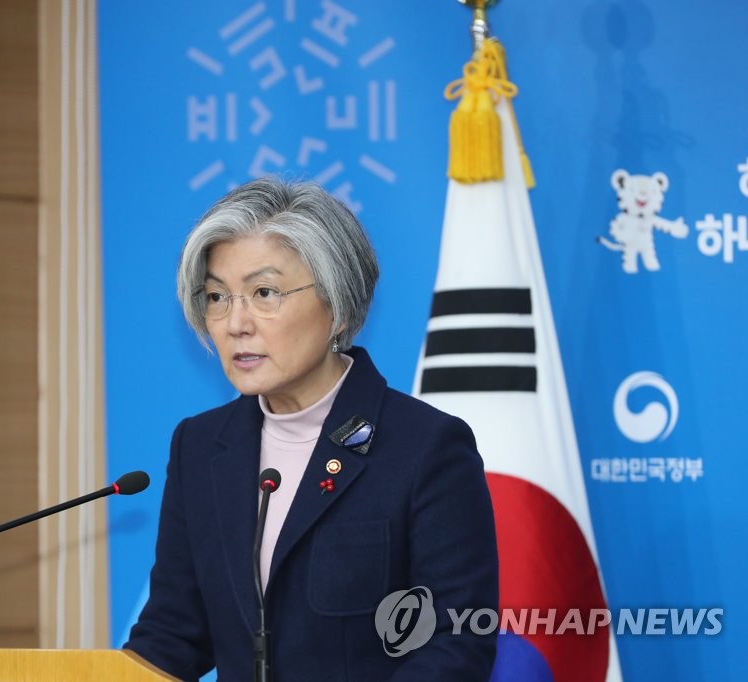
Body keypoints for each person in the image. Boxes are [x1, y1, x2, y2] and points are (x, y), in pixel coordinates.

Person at [124, 177, 498, 681]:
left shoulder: (426, 447)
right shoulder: (200, 446)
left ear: (337, 307)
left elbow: (455, 645)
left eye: (264, 293)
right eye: (216, 296)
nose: (235, 323)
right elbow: (173, 633)